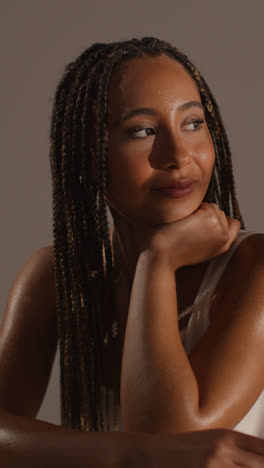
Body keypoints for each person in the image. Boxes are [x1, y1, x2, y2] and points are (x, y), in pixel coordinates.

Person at [1, 36, 264, 467]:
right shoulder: (55, 275)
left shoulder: (254, 268)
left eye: (193, 123)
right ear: (89, 155)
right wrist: (123, 451)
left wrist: (158, 261)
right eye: (143, 131)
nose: (178, 156)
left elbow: (169, 437)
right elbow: (159, 452)